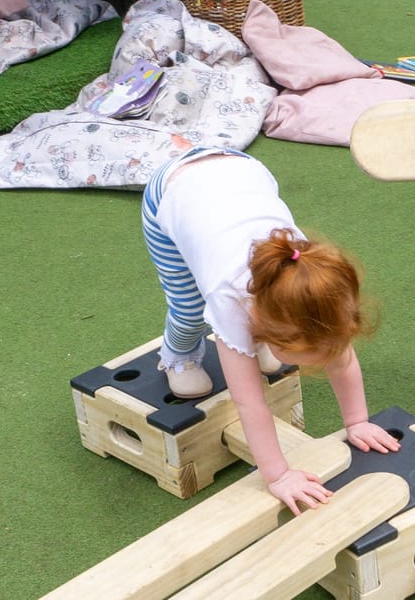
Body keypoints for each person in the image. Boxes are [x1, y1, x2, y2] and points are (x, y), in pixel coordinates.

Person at [142, 145, 401, 513]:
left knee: (268, 347)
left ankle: (260, 343)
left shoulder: (319, 293)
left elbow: (342, 364)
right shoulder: (227, 299)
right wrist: (278, 475)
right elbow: (249, 403)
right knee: (187, 308)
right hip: (173, 191)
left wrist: (357, 422)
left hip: (244, 173)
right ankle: (178, 356)